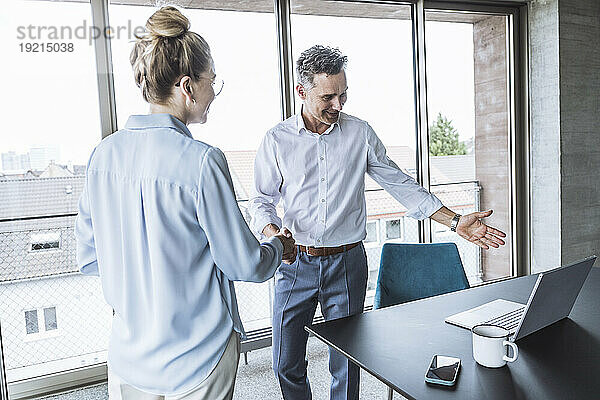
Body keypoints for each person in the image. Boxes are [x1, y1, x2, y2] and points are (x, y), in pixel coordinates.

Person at [248, 45, 506, 400]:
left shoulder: (359, 133)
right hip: (296, 263)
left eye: (343, 95)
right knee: (285, 361)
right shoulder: (277, 140)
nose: (338, 106)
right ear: (301, 91)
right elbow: (261, 201)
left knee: (348, 362)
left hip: (348, 263)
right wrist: (272, 232)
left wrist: (455, 220)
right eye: (328, 97)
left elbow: (400, 184)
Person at [75, 6, 295, 400]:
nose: (214, 92)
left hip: (129, 359)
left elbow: (91, 258)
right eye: (213, 81)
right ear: (188, 86)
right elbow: (245, 264)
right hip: (198, 358)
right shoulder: (202, 161)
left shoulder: (101, 157)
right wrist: (280, 247)